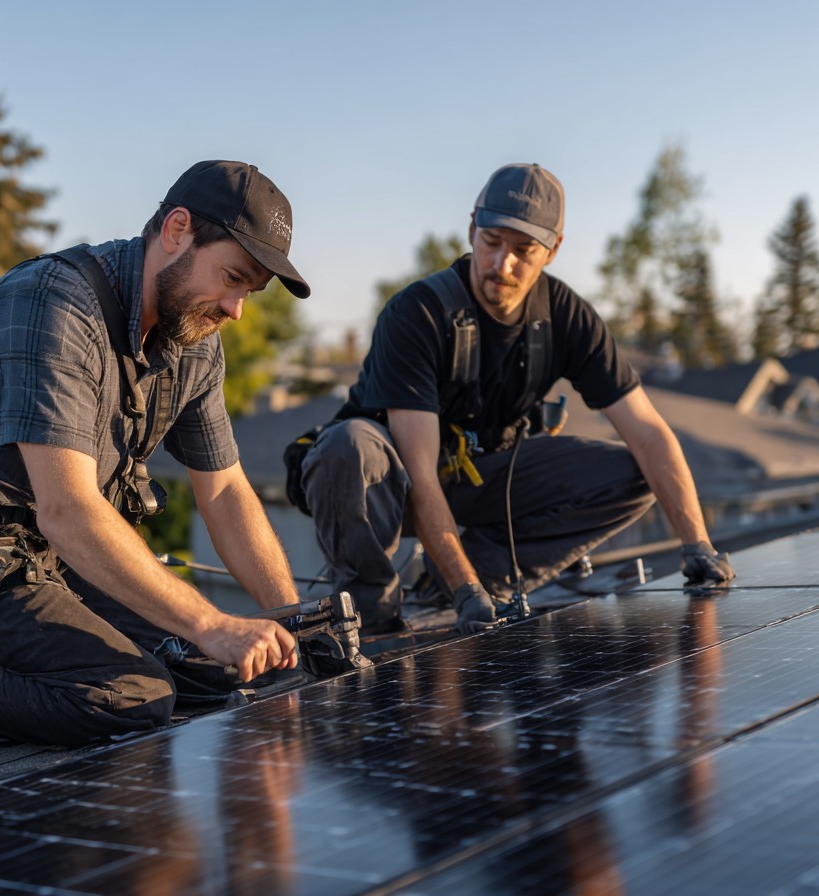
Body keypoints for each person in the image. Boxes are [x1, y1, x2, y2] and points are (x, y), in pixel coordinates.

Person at [0, 160, 312, 756]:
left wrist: (294, 624)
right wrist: (213, 623)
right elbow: (69, 510)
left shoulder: (191, 343)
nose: (235, 310)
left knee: (211, 671)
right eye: (232, 277)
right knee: (131, 696)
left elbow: (225, 493)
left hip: (49, 542)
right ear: (177, 230)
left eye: (248, 292)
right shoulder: (53, 307)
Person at [296, 163, 733, 637]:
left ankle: (478, 579)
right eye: (491, 243)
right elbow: (421, 475)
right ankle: (372, 617)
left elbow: (648, 432)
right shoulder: (418, 313)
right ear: (471, 229)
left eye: (523, 251)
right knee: (349, 445)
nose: (503, 264)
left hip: (483, 476)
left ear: (553, 250)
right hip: (387, 483)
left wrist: (698, 547)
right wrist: (468, 593)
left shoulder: (565, 317)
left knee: (637, 475)